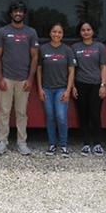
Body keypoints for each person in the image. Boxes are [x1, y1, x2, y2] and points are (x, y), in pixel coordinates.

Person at [0, 1, 39, 156]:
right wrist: (0, 78)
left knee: (21, 112)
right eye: (15, 11)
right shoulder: (2, 32)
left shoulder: (31, 32)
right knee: (4, 111)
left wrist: (30, 79)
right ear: (11, 14)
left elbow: (34, 57)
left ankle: (22, 143)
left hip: (23, 79)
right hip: (6, 78)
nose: (18, 14)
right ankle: (2, 142)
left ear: (24, 14)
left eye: (20, 11)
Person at [37, 23, 75, 157]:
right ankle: (52, 145)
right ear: (50, 33)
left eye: (59, 32)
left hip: (61, 88)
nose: (56, 34)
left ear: (62, 34)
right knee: (50, 117)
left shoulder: (67, 50)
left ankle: (63, 145)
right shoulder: (43, 49)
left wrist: (68, 90)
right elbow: (39, 70)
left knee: (61, 117)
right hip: (47, 89)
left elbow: (71, 71)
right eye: (54, 32)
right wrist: (40, 88)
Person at [71, 21, 106, 156]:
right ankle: (86, 143)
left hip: (96, 85)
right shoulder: (75, 47)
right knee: (83, 115)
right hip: (80, 84)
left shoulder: (99, 47)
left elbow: (103, 67)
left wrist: (103, 85)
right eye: (83, 30)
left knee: (95, 114)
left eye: (88, 29)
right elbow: (72, 69)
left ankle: (97, 143)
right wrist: (73, 86)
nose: (85, 32)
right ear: (80, 32)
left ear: (93, 31)